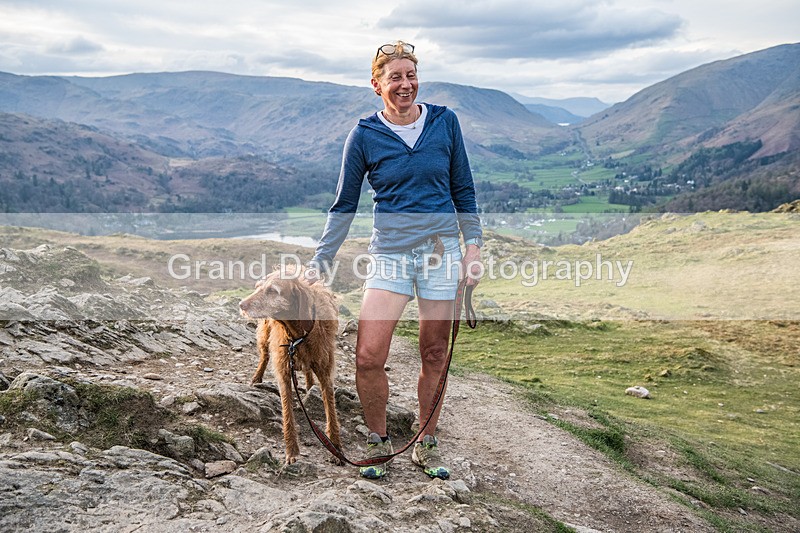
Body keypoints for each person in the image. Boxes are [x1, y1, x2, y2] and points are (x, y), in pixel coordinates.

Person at [307, 41, 483, 480]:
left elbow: (464, 190)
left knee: (434, 351)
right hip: (390, 255)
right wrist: (319, 263)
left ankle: (426, 442)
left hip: (442, 251)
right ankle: (378, 441)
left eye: (411, 75)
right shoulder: (364, 135)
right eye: (395, 77)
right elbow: (343, 205)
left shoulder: (445, 123)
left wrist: (473, 246)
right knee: (368, 355)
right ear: (377, 85)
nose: (405, 84)